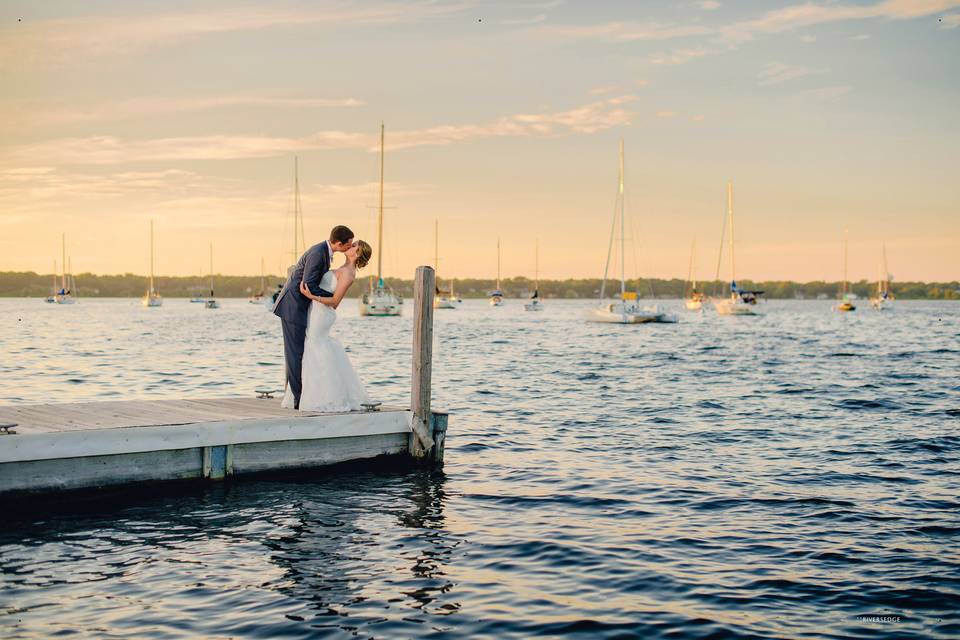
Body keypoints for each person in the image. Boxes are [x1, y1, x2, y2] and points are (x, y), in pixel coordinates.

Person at [280, 240, 373, 412]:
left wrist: (311, 295)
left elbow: (335, 301)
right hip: (315, 310)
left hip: (322, 314)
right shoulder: (342, 267)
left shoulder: (349, 273)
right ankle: (308, 393)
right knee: (311, 349)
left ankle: (320, 397)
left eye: (354, 246)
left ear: (358, 254)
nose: (349, 246)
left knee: (314, 347)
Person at [273, 225, 354, 409]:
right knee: (295, 354)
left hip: (302, 308)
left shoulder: (324, 251)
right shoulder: (319, 253)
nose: (349, 247)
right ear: (339, 244)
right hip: (293, 307)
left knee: (299, 352)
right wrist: (330, 297)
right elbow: (308, 284)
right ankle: (298, 399)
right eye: (348, 244)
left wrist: (327, 299)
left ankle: (301, 395)